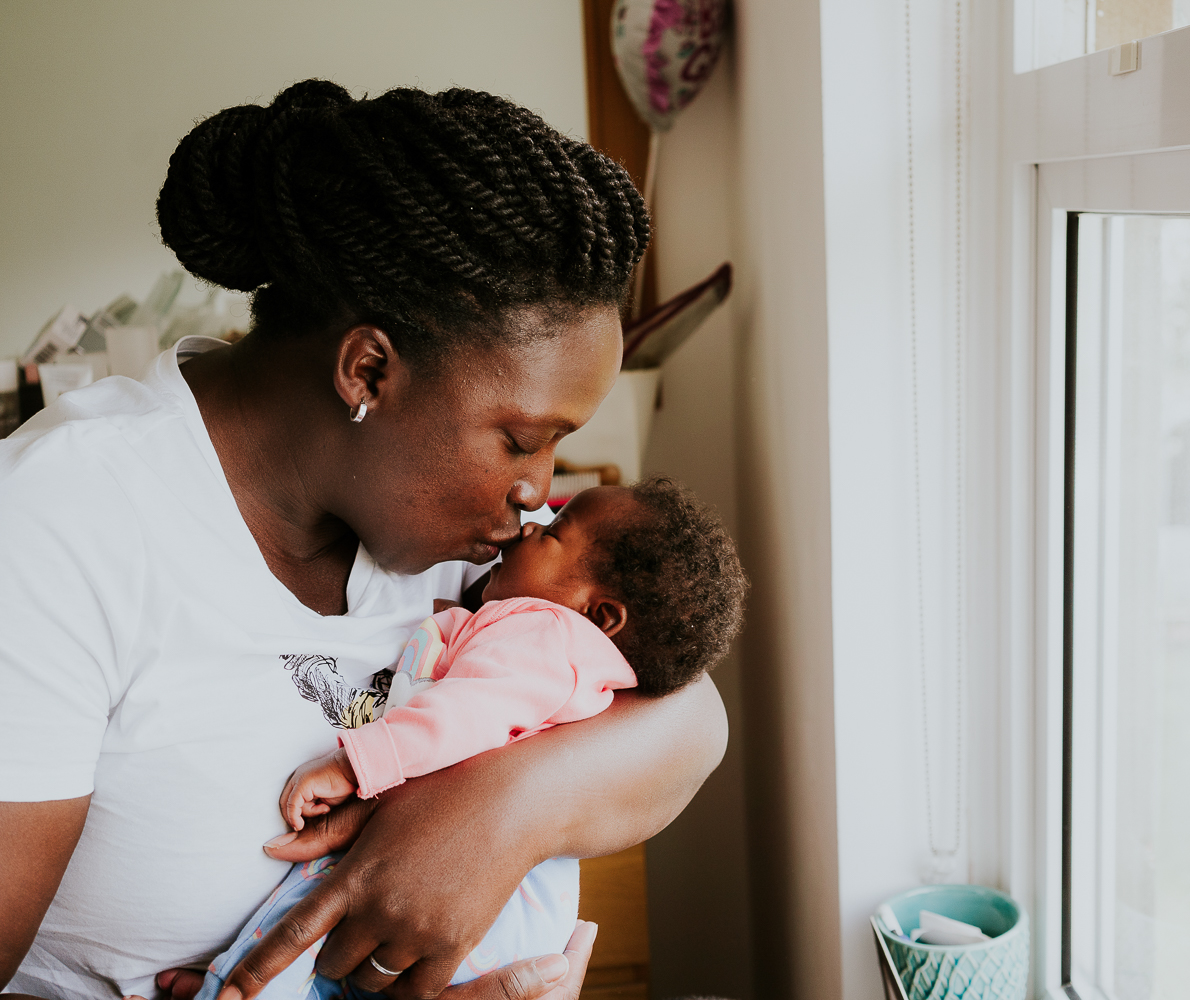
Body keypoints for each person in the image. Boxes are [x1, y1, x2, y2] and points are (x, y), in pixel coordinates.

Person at [0, 80, 728, 1000]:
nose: (539, 493)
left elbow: (692, 715)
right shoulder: (59, 526)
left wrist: (494, 817)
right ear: (369, 370)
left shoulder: (454, 536)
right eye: (521, 438)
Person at [200, 480, 747, 1000]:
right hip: (513, 924)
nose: (533, 522)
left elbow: (467, 712)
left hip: (470, 897)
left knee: (305, 906)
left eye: (554, 530)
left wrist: (355, 765)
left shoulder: (546, 633)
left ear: (600, 614)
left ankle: (226, 985)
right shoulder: (575, 656)